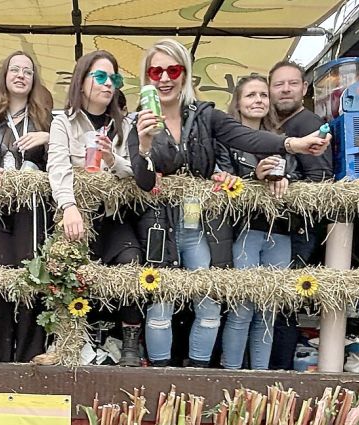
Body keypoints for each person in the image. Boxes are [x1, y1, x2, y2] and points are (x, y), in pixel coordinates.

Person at [128, 39, 329, 367]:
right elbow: (143, 181)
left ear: (185, 74)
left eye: (172, 70)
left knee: (210, 304)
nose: (164, 77)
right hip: (159, 225)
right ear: (147, 77)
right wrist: (146, 143)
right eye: (155, 70)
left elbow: (248, 137)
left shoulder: (205, 115)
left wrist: (293, 144)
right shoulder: (141, 120)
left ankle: (197, 374)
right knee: (160, 305)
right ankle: (161, 374)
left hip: (201, 226)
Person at [47, 50, 142, 366]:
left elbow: (138, 168)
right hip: (78, 215)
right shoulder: (63, 122)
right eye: (100, 76)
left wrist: (113, 159)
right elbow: (57, 167)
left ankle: (129, 341)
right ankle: (76, 342)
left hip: (114, 215)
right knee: (68, 269)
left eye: (113, 78)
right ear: (81, 80)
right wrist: (69, 206)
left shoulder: (125, 124)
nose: (108, 83)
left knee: (132, 263)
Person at [216, 74, 301, 370]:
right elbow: (220, 183)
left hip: (280, 231)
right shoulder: (224, 140)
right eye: (251, 95)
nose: (258, 100)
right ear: (237, 102)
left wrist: (287, 176)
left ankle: (261, 379)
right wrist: (255, 178)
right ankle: (231, 376)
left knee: (268, 310)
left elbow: (299, 178)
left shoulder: (283, 141)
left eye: (263, 95)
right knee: (242, 308)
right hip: (244, 231)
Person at [0, 51, 51, 363]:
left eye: (28, 71)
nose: (21, 75)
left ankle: (30, 358)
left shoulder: (46, 118)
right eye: (15, 70)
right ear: (4, 76)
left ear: (34, 80)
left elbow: (69, 154)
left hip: (32, 210)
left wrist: (47, 137)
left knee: (31, 281)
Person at [267, 59, 336, 369]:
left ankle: (279, 370)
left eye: (292, 83)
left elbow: (321, 181)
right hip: (278, 229)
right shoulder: (277, 127)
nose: (285, 89)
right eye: (279, 84)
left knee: (281, 303)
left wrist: (286, 185)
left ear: (304, 89)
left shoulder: (308, 123)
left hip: (298, 229)